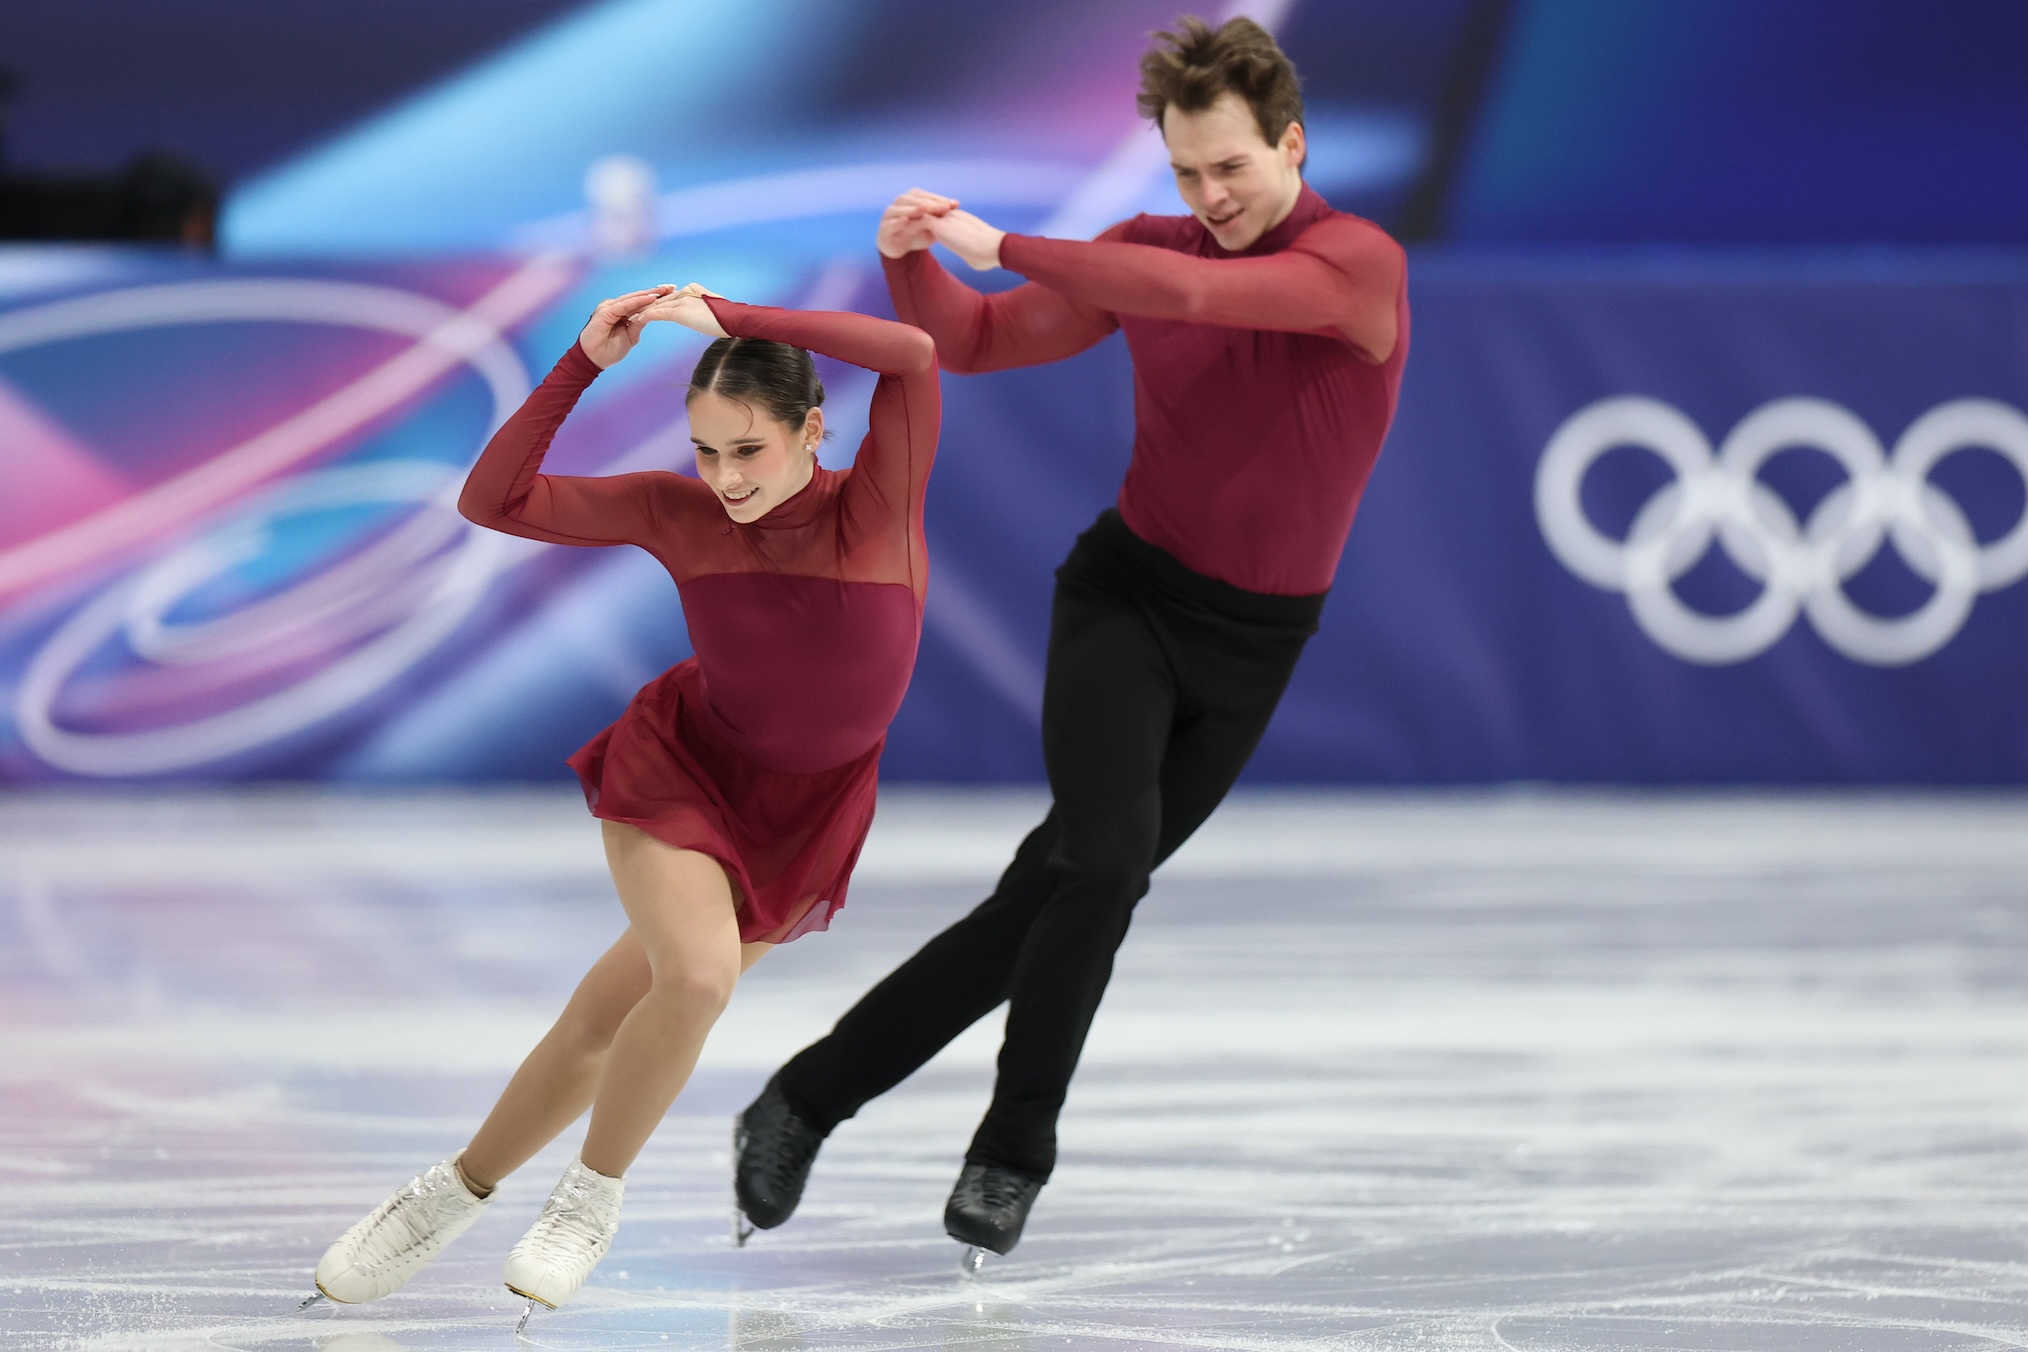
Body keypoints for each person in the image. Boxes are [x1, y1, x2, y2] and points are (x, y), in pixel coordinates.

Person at [733, 15, 1409, 1261]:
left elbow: (1203, 292)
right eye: (1186, 173)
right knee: (1100, 863)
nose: (1208, 198)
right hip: (1127, 603)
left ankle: (802, 1098)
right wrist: (915, 267)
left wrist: (1003, 240)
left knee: (1045, 900)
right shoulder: (1144, 248)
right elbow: (974, 337)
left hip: (1257, 648)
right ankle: (1011, 1151)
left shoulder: (1356, 265)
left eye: (1232, 169)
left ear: (1293, 144)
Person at [305, 282, 939, 1316]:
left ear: (812, 429)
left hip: (808, 814)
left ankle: (448, 1191)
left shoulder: (877, 501)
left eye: (749, 449)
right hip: (689, 768)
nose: (725, 476)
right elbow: (491, 500)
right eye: (706, 450)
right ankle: (589, 1201)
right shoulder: (675, 509)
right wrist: (583, 363)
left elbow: (911, 350)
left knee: (607, 1018)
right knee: (693, 978)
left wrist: (736, 316)